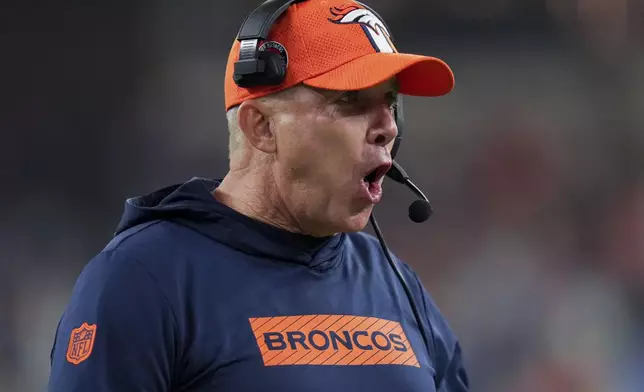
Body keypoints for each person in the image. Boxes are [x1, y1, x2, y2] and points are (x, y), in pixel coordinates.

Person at [47, 1, 469, 391]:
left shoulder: (397, 286)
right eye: (351, 101)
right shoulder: (144, 280)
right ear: (262, 127)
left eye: (390, 103)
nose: (388, 127)